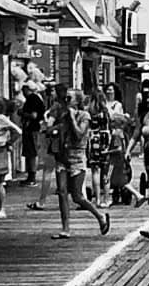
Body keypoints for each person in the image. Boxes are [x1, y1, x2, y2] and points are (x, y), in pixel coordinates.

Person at [48, 86, 112, 237]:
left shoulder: (85, 116)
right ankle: (65, 228)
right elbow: (51, 129)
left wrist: (71, 118)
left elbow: (78, 134)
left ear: (77, 101)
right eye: (66, 98)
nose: (66, 100)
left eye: (69, 98)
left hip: (77, 157)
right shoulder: (61, 113)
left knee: (77, 196)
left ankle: (100, 216)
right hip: (63, 156)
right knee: (62, 192)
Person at [19, 80, 48, 202]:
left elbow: (34, 116)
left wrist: (22, 113)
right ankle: (31, 176)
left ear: (28, 90)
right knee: (31, 152)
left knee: (32, 152)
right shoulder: (38, 98)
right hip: (33, 129)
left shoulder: (33, 99)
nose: (23, 92)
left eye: (24, 90)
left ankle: (32, 177)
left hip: (32, 129)